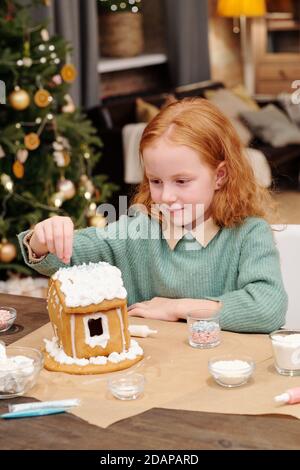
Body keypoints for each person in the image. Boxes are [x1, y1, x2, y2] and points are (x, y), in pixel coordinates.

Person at [18, 98, 287, 333]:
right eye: (156, 181)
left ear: (220, 175)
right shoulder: (142, 228)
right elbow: (65, 255)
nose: (166, 196)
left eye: (181, 181)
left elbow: (267, 307)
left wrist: (176, 308)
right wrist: (45, 237)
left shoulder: (249, 233)